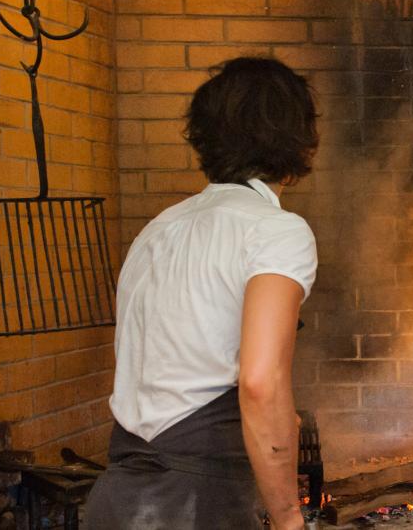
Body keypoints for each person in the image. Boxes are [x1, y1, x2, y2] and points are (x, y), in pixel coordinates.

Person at [85, 57, 319, 530]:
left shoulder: (157, 230)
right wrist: (289, 518)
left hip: (116, 500)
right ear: (296, 141)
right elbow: (261, 382)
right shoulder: (276, 231)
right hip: (195, 505)